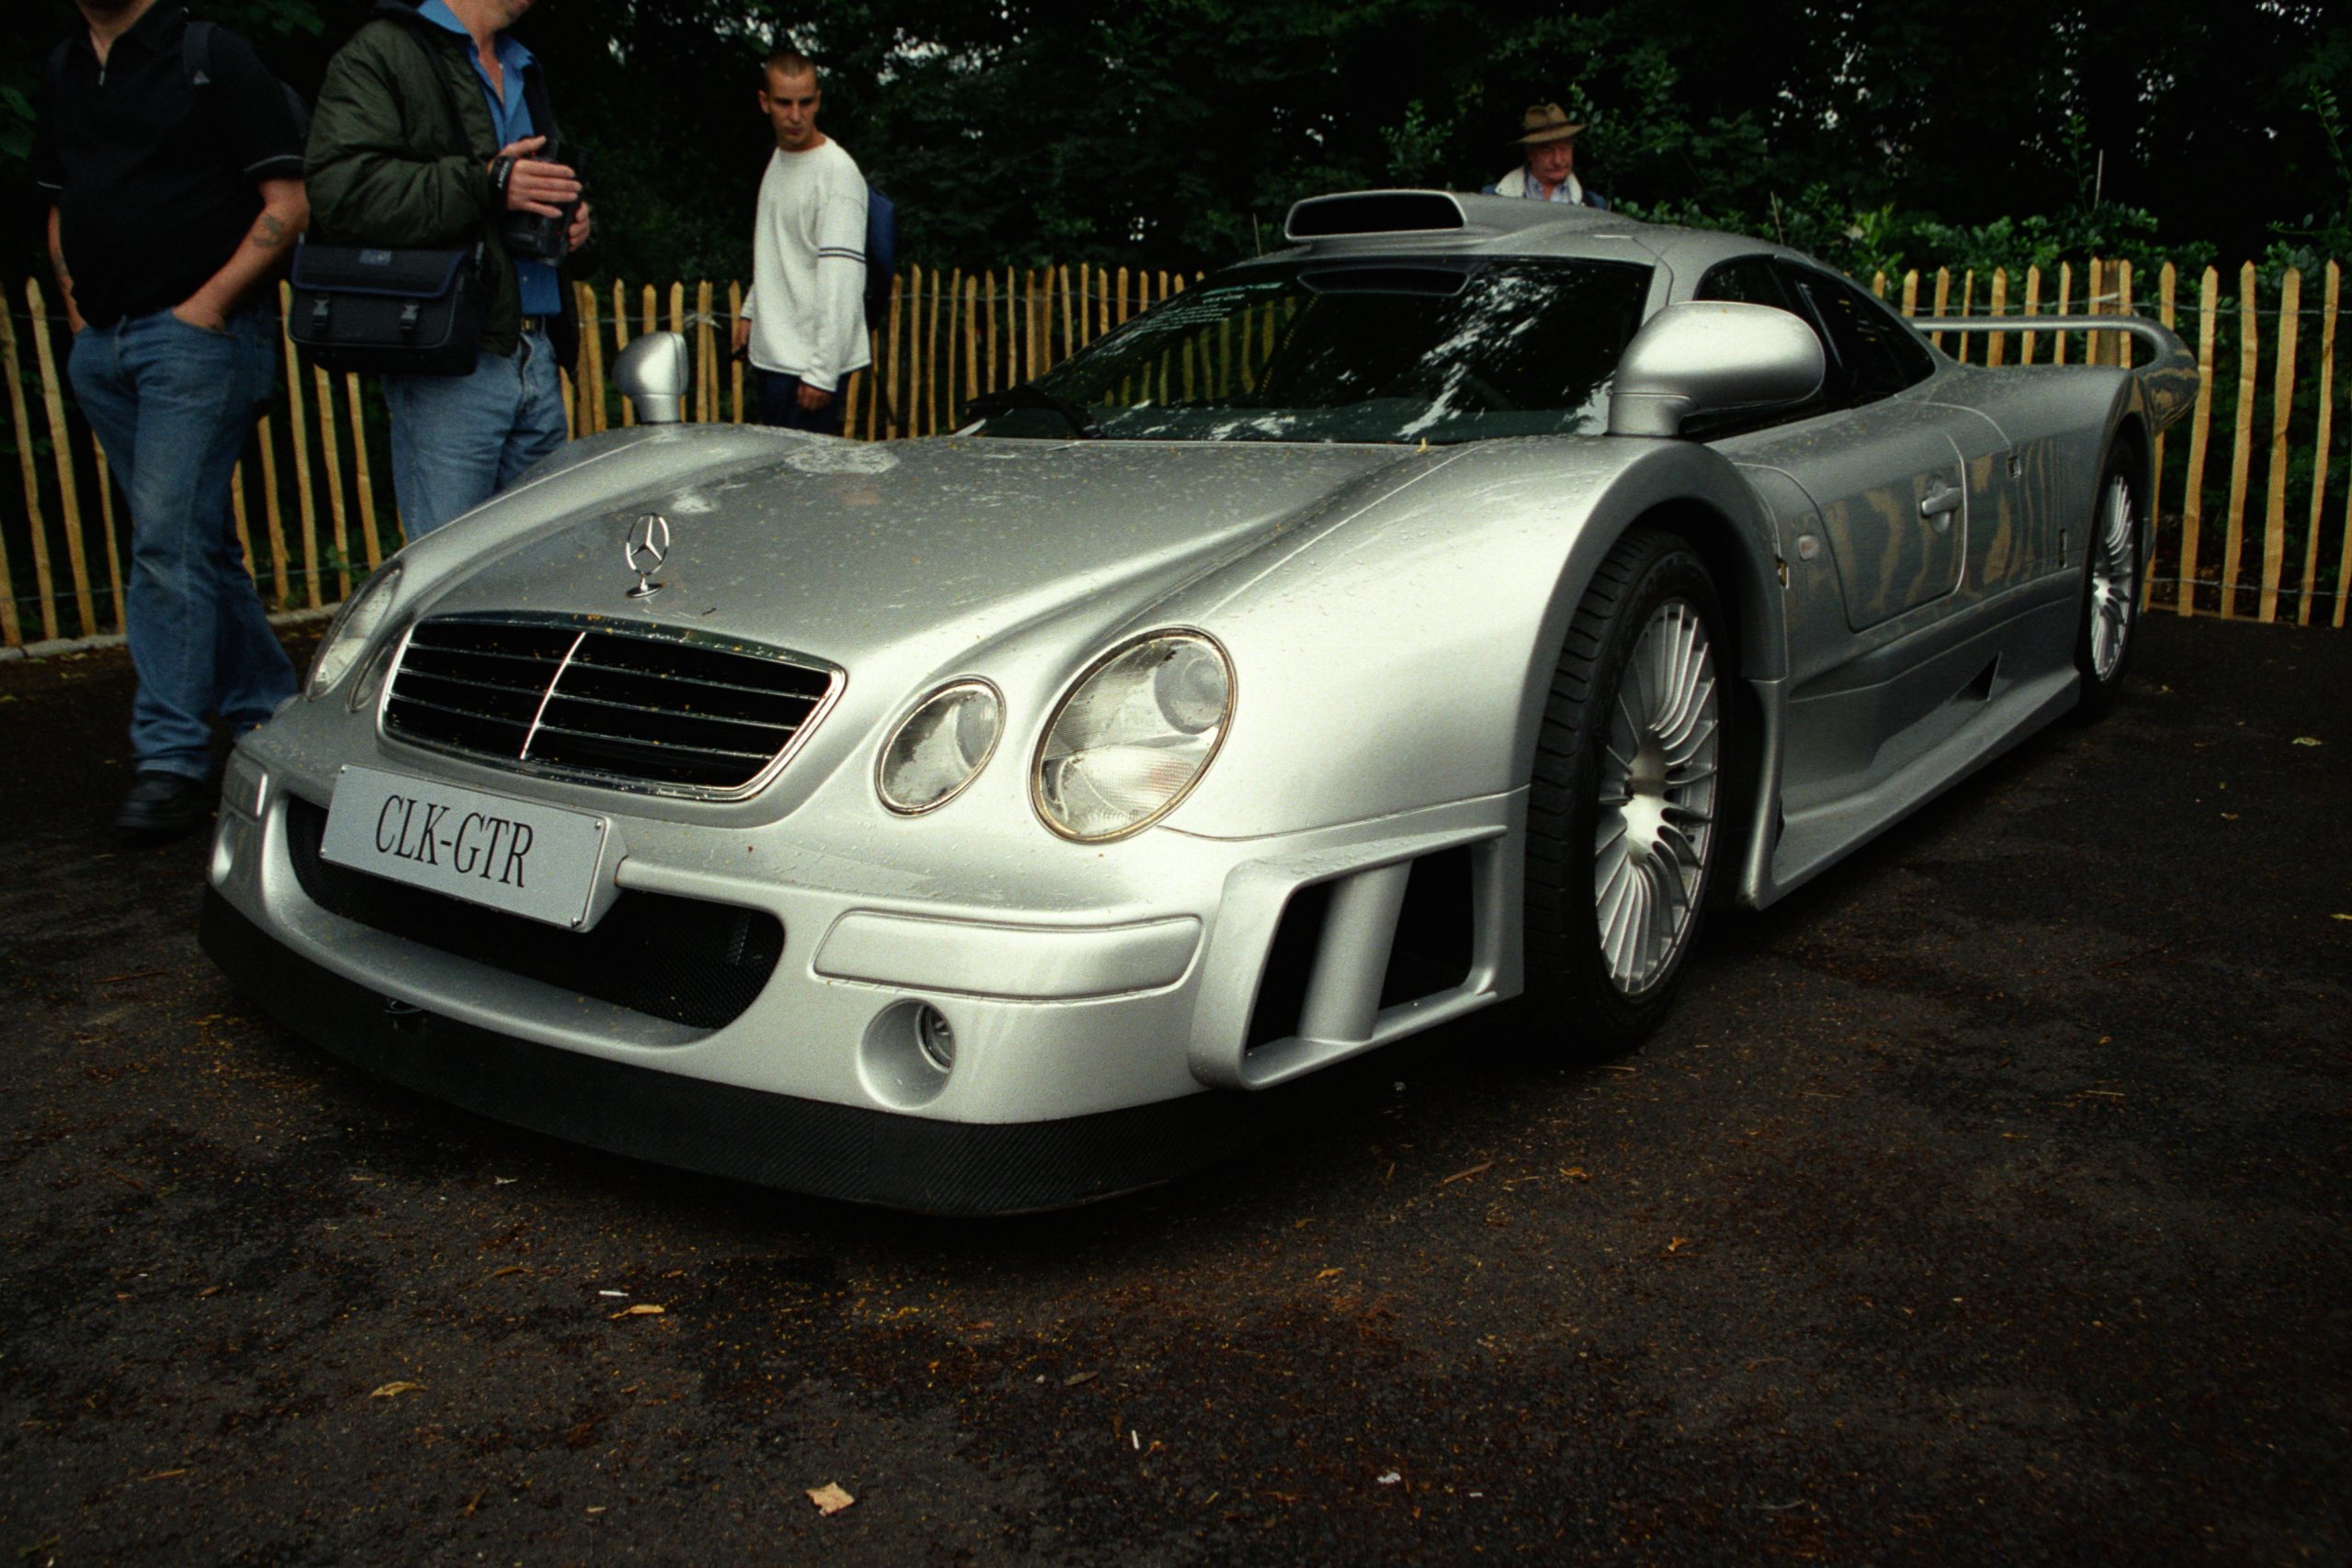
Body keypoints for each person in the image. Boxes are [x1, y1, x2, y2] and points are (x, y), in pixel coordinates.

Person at [36, 0, 309, 836]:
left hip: (194, 343)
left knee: (165, 542)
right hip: (103, 345)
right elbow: (60, 199)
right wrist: (79, 313)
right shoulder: (65, 68)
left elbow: (288, 201)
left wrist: (206, 309)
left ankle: (171, 759)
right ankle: (270, 708)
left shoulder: (210, 54)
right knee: (194, 544)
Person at [305, 0, 594, 539]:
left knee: (545, 565)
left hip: (537, 353)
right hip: (451, 362)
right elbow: (342, 193)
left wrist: (574, 227)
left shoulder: (522, 63)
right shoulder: (383, 50)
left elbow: (522, 195)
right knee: (450, 566)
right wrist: (486, 183)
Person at [731, 51, 870, 435]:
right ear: (764, 102)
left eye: (805, 102)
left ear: (818, 100)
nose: (795, 115)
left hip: (808, 368)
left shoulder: (837, 174)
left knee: (806, 473)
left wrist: (823, 374)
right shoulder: (778, 160)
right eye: (784, 103)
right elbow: (780, 249)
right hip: (775, 359)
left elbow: (842, 282)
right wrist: (751, 311)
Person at [1483, 103, 1610, 209]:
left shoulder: (1594, 205)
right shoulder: (1492, 200)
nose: (1558, 160)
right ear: (1530, 154)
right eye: (1547, 150)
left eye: (1563, 148)